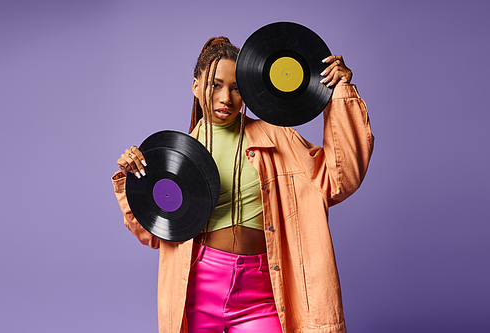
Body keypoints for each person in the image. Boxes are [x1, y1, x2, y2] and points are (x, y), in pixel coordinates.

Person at [112, 36, 374, 333]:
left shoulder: (277, 138)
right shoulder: (173, 154)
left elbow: (340, 179)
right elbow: (153, 235)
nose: (226, 98)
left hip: (261, 290)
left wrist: (340, 95)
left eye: (236, 88)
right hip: (197, 289)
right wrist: (134, 179)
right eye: (215, 85)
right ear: (196, 86)